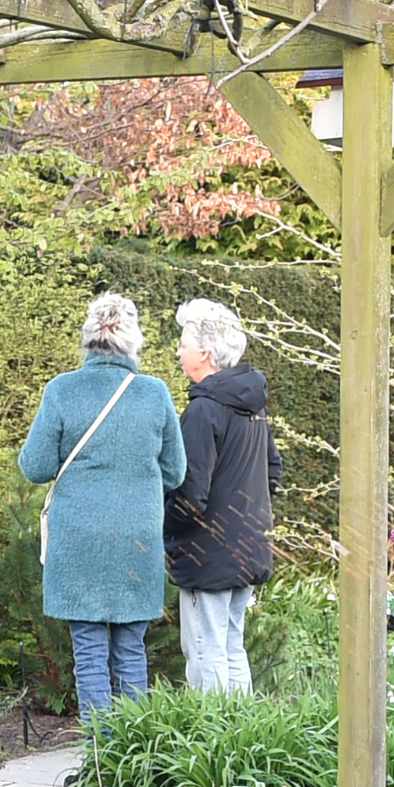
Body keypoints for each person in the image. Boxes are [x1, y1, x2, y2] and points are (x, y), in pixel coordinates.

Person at [20, 291, 188, 714]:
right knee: (132, 649)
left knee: (89, 653)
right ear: (134, 342)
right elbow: (176, 472)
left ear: (88, 339)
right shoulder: (154, 394)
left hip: (78, 538)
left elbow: (36, 467)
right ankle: (132, 760)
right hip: (137, 539)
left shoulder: (62, 391)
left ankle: (97, 757)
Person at [164, 298, 276, 695]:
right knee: (231, 645)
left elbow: (189, 492)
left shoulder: (203, 411)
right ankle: (241, 743)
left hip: (207, 552)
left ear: (205, 353)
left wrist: (167, 531)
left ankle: (215, 745)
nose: (178, 351)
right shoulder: (254, 408)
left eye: (183, 343)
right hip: (249, 544)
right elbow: (272, 472)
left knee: (204, 648)